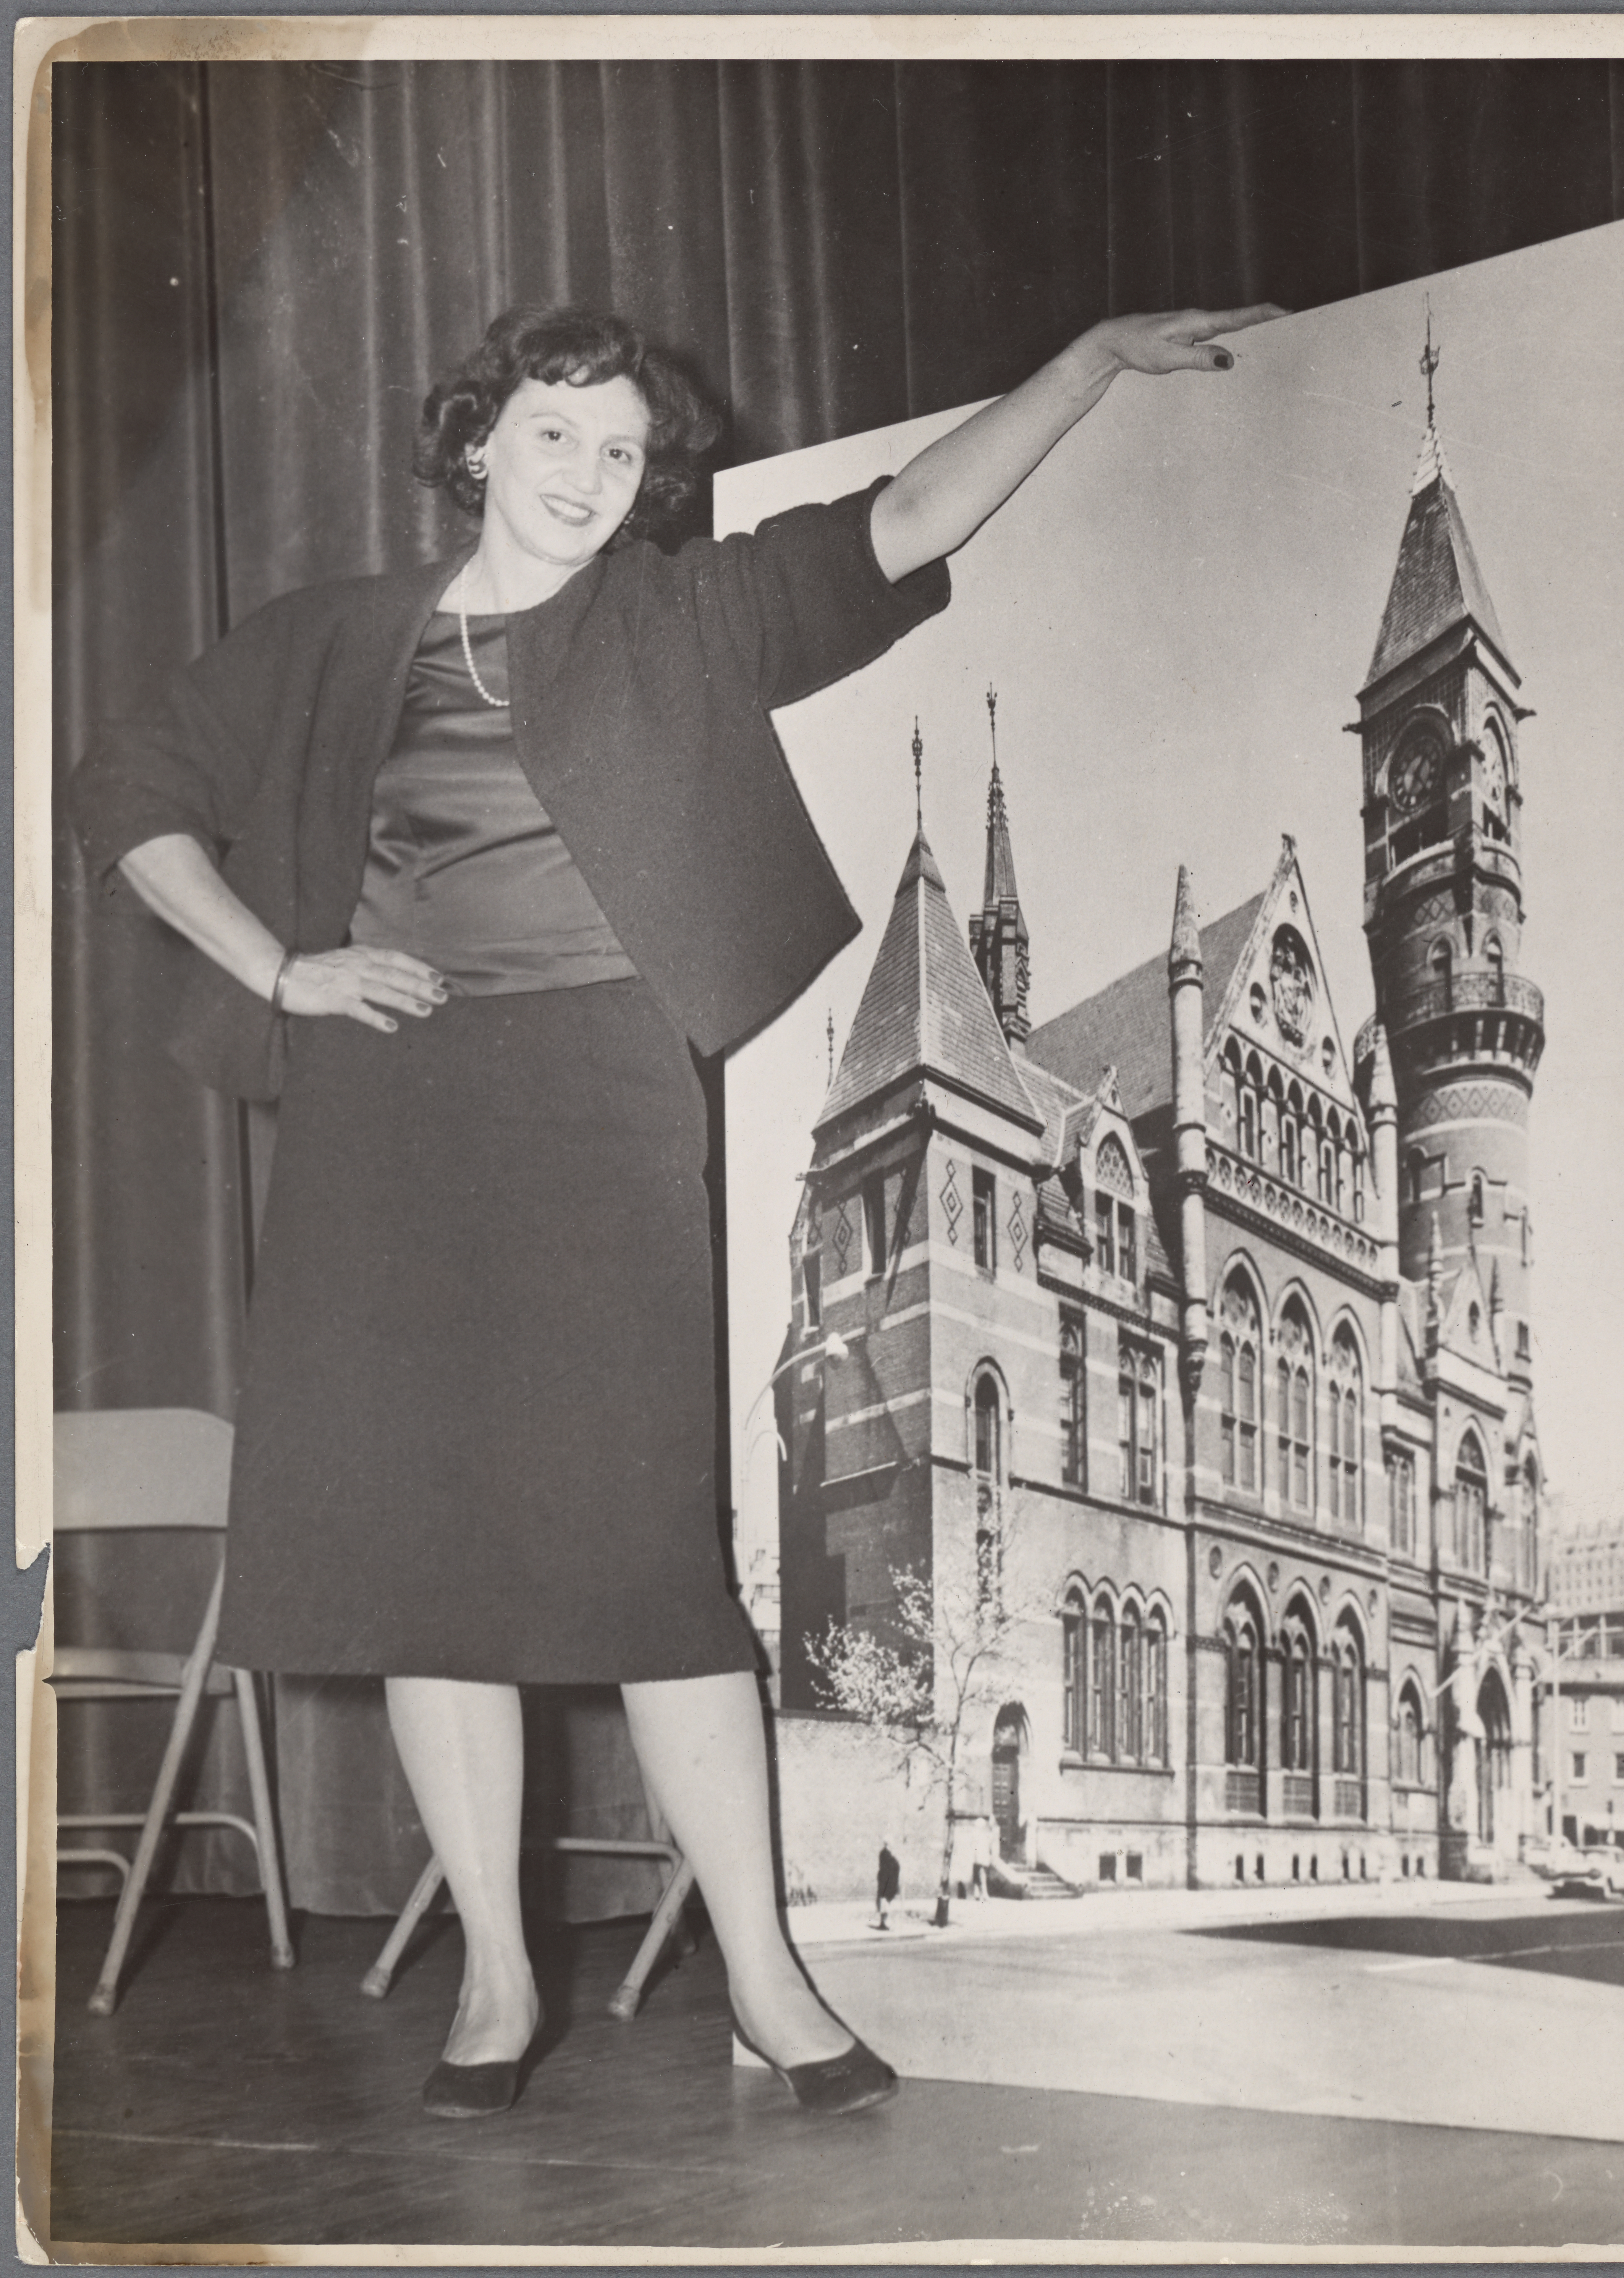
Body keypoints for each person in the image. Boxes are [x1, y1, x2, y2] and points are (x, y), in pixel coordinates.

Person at [72, 299, 1240, 2122]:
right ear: (479, 443)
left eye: (624, 455)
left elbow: (903, 523)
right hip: (388, 1119)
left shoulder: (678, 619)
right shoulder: (336, 640)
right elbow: (128, 789)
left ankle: (770, 1980)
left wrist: (1085, 362)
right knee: (418, 1567)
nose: (592, 479)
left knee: (651, 1566)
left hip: (607, 1104)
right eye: (557, 438)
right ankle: (497, 1976)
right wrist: (283, 968)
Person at [875, 1842, 901, 1930]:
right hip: (887, 1883)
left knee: (886, 1903)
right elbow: (891, 1867)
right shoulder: (886, 1855)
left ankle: (884, 1923)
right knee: (885, 1903)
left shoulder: (887, 1855)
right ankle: (883, 1923)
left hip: (889, 1883)